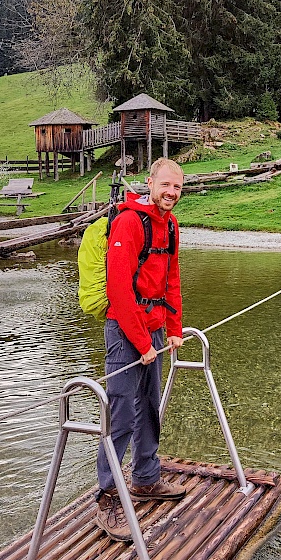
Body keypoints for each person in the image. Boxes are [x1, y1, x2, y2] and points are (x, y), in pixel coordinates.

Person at [96, 157, 186, 540]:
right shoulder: (130, 222)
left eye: (177, 187)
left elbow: (172, 278)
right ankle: (107, 497)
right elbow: (117, 288)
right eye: (165, 184)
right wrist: (140, 343)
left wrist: (175, 328)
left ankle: (146, 479)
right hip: (125, 332)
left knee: (149, 408)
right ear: (150, 182)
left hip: (152, 332)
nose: (170, 193)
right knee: (121, 419)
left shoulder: (171, 225)